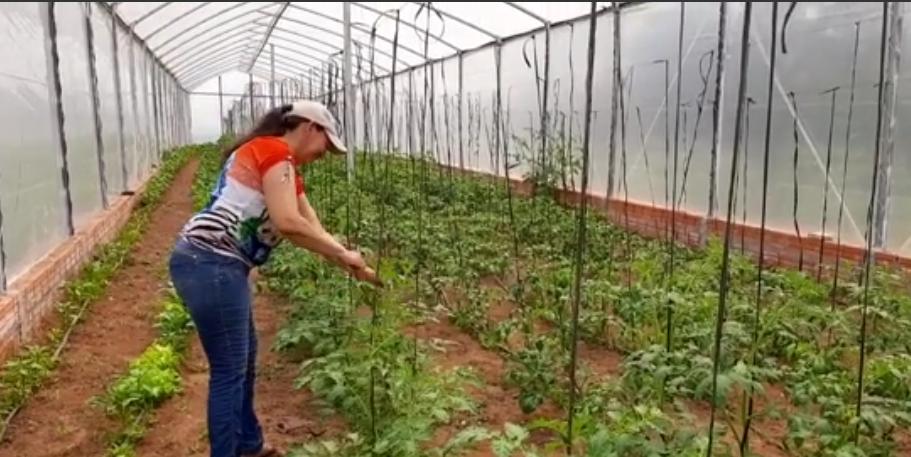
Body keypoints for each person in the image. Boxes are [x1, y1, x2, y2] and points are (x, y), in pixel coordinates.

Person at [168, 100, 378, 457]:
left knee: (244, 361)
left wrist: (349, 262)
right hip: (211, 263)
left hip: (215, 265)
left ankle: (248, 444)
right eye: (326, 143)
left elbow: (311, 225)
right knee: (229, 370)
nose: (325, 154)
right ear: (310, 128)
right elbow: (288, 223)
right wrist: (343, 255)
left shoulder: (283, 165)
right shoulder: (274, 152)